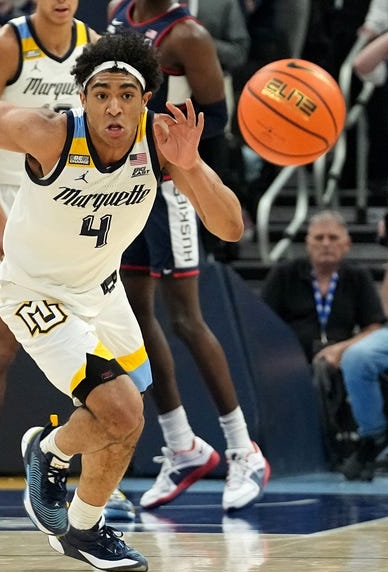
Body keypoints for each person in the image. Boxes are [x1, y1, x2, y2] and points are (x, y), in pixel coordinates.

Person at [0, 31, 244, 571]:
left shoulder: (162, 144)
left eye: (126, 95)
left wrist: (193, 167)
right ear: (82, 96)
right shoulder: (52, 133)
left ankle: (82, 527)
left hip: (101, 292)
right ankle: (51, 452)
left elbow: (231, 227)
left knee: (126, 422)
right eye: (101, 92)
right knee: (119, 407)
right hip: (35, 292)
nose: (113, 106)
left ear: (144, 100)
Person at [109, 0, 270, 514]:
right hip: (125, 186)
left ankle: (244, 450)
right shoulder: (119, 11)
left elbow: (216, 118)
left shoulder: (189, 35)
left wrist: (165, 146)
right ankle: (181, 446)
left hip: (171, 189)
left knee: (186, 319)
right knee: (136, 320)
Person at [0, 0, 96, 517]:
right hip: (5, 199)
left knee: (87, 341)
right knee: (2, 342)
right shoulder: (5, 45)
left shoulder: (92, 45)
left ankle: (90, 470)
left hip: (63, 203)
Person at [261, 211, 385, 477]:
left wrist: (343, 348)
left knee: (335, 368)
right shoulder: (285, 274)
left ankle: (347, 448)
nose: (326, 243)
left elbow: (374, 327)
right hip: (289, 356)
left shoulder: (357, 277)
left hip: (340, 357)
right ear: (307, 243)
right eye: (319, 237)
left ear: (347, 244)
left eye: (333, 237)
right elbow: (262, 323)